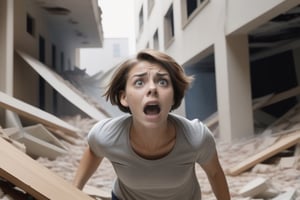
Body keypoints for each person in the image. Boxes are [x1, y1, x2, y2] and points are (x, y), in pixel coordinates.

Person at [73, 49, 230, 200]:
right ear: (124, 97)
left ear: (174, 96)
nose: (153, 88)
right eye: (139, 82)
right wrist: (73, 191)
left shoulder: (196, 137)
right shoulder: (106, 135)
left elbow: (215, 173)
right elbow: (94, 151)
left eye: (162, 82)